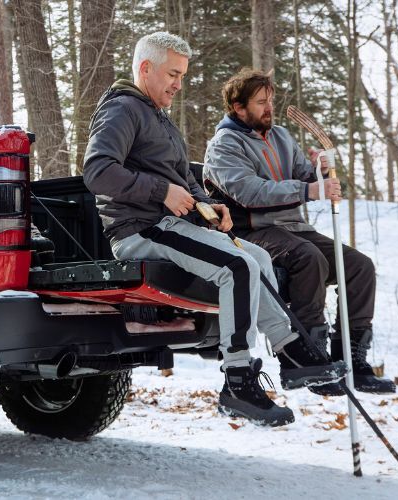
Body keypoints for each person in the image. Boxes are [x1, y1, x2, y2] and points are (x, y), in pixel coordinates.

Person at [82, 32, 346, 427]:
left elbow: (178, 178)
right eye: (173, 73)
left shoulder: (157, 117)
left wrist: (209, 206)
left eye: (182, 75)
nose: (178, 84)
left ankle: (290, 352)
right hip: (140, 229)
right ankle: (237, 381)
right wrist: (163, 192)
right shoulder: (123, 109)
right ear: (145, 68)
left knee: (255, 256)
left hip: (168, 223)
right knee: (237, 266)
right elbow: (97, 171)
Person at [202, 68, 395, 395]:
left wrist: (319, 173)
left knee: (359, 267)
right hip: (250, 232)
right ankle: (308, 359)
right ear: (238, 107)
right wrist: (309, 191)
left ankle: (352, 359)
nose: (269, 107)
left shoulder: (280, 137)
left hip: (293, 228)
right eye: (261, 102)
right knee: (309, 259)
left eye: (271, 100)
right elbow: (250, 192)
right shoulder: (224, 146)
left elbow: (306, 179)